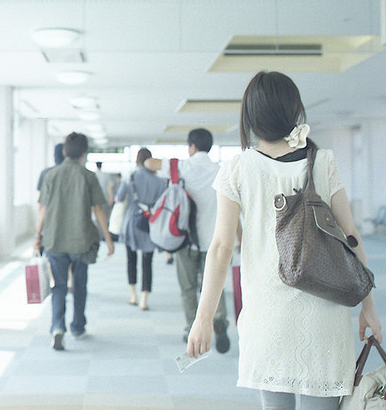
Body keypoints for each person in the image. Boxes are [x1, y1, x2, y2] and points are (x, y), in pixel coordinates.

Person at [187, 71, 382, 410]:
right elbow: (351, 237)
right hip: (325, 314)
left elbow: (220, 249)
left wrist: (203, 318)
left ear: (250, 117)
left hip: (267, 317)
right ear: (295, 111)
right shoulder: (322, 161)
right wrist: (369, 308)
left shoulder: (237, 168)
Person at [145, 128, 236, 353]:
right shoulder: (221, 171)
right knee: (214, 284)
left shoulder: (181, 167)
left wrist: (172, 165)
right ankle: (219, 320)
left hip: (185, 240)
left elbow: (148, 163)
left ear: (192, 146)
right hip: (214, 242)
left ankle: (191, 328)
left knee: (188, 288)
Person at [35, 132, 114, 351]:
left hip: (54, 240)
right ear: (84, 153)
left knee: (59, 286)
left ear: (64, 151)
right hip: (81, 241)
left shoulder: (51, 175)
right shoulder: (88, 176)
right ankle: (78, 327)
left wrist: (37, 237)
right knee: (80, 285)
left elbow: (42, 209)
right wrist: (108, 239)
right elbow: (98, 209)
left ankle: (57, 328)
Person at [115, 148, 166, 310]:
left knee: (131, 259)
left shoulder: (130, 177)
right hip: (150, 222)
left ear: (137, 160)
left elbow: (119, 198)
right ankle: (144, 298)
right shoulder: (159, 182)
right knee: (147, 261)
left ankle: (133, 295)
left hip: (131, 221)